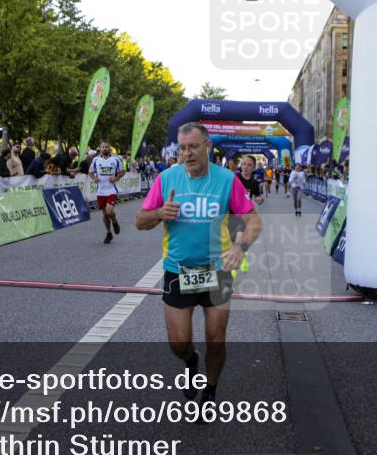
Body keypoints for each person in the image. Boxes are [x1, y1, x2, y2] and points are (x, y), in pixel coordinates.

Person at [135, 123, 260, 411]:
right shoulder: (167, 179)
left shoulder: (227, 180)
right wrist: (158, 213)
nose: (187, 153)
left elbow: (253, 220)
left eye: (193, 146)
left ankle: (210, 392)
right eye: (182, 148)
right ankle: (191, 360)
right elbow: (140, 221)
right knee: (179, 343)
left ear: (207, 145)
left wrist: (240, 247)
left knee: (216, 338)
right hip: (178, 270)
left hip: (218, 269)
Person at [89, 141, 126, 244]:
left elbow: (123, 171)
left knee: (109, 212)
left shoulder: (116, 159)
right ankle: (109, 233)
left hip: (111, 190)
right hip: (100, 191)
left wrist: (116, 178)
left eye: (106, 147)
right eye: (103, 147)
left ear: (110, 148)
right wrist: (94, 179)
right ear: (100, 149)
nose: (104, 148)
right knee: (105, 214)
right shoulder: (96, 160)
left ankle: (114, 221)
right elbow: (90, 172)